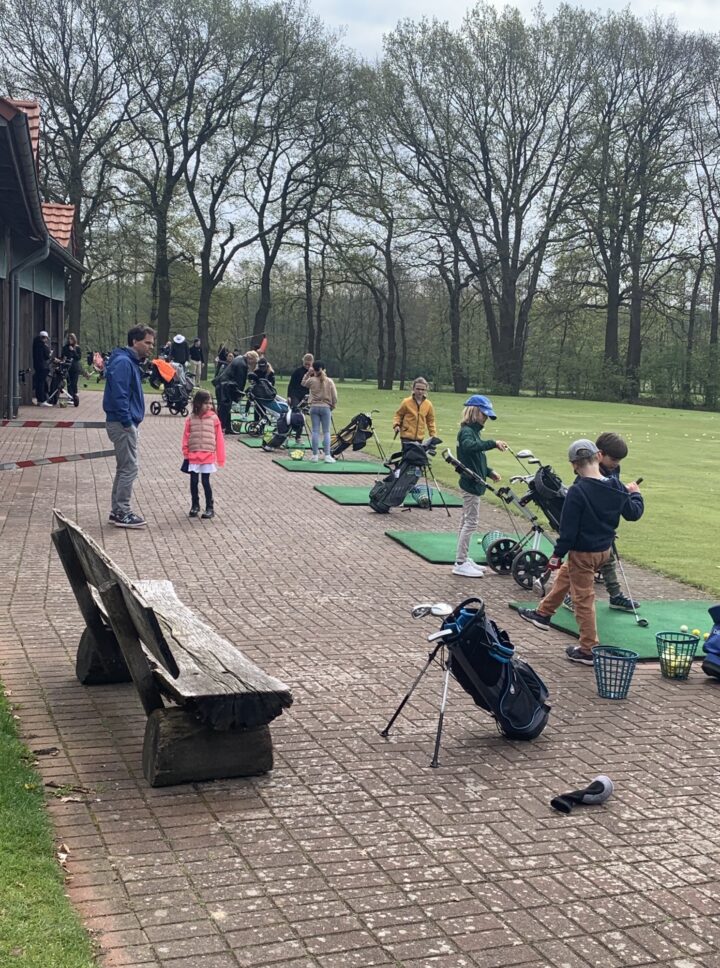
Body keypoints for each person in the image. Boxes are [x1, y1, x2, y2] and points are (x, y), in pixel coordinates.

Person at [519, 439, 644, 664]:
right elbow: (633, 513)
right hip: (603, 551)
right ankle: (543, 614)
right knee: (566, 575)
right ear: (598, 457)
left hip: (583, 553)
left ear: (574, 465)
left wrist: (556, 555)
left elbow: (568, 532)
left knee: (582, 599)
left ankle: (588, 649)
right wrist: (635, 494)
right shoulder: (616, 486)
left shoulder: (577, 491)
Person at [563, 432, 641, 614]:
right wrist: (635, 495)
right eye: (613, 459)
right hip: (587, 532)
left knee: (608, 560)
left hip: (603, 528)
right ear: (599, 454)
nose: (616, 464)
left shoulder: (613, 470)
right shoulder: (585, 476)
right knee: (578, 566)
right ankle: (569, 596)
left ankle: (615, 596)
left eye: (619, 460)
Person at [103, 325, 155, 529]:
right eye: (147, 343)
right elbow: (119, 394)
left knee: (124, 467)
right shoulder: (124, 362)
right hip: (122, 422)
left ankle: (117, 510)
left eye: (152, 343)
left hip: (124, 421)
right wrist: (126, 421)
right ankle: (122, 512)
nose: (150, 347)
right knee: (129, 468)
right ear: (135, 341)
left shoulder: (127, 361)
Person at [452, 395, 508, 577]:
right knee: (470, 522)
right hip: (471, 484)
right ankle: (460, 563)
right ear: (474, 411)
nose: (485, 419)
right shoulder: (467, 432)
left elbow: (475, 459)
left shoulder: (473, 432)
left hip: (474, 481)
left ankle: (463, 557)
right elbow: (469, 448)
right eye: (484, 414)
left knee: (465, 521)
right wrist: (493, 443)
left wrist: (489, 471)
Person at [182, 390, 225, 520]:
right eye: (206, 403)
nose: (209, 406)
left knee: (205, 482)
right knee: (193, 481)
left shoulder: (214, 418)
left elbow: (219, 438)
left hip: (207, 454)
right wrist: (186, 452)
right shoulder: (191, 418)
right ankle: (195, 505)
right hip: (194, 454)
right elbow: (186, 436)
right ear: (198, 403)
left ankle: (209, 507)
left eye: (210, 403)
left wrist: (220, 457)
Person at [213, 349, 259, 434]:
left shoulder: (239, 358)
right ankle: (220, 429)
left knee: (225, 408)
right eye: (254, 362)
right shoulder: (242, 364)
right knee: (224, 409)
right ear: (250, 358)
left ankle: (227, 428)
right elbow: (240, 382)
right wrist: (240, 394)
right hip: (225, 387)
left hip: (222, 385)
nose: (253, 364)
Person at [301, 360, 337, 462]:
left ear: (314, 369)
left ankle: (315, 455)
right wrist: (333, 405)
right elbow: (334, 396)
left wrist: (308, 373)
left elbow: (303, 383)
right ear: (324, 369)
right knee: (326, 432)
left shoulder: (311, 380)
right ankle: (327, 455)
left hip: (314, 407)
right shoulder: (329, 381)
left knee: (315, 431)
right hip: (326, 407)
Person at [392, 377, 437, 451]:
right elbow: (398, 415)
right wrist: (396, 425)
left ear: (426, 390)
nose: (420, 391)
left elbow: (430, 421)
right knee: (407, 457)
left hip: (419, 437)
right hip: (406, 436)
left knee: (416, 458)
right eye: (418, 389)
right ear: (413, 389)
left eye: (422, 389)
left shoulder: (428, 404)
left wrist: (433, 436)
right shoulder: (406, 402)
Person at [32, 330, 53, 405]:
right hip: (43, 367)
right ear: (45, 338)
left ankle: (39, 399)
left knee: (39, 382)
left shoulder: (35, 344)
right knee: (41, 383)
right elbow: (47, 356)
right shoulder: (43, 346)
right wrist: (50, 353)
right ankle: (42, 400)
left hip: (37, 366)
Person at [62, 332, 82, 405]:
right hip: (68, 367)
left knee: (74, 383)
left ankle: (75, 396)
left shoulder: (77, 348)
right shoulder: (65, 347)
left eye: (71, 339)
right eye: (69, 339)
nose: (70, 340)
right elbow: (63, 356)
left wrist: (73, 351)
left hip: (75, 367)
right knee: (69, 383)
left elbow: (78, 357)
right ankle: (70, 397)